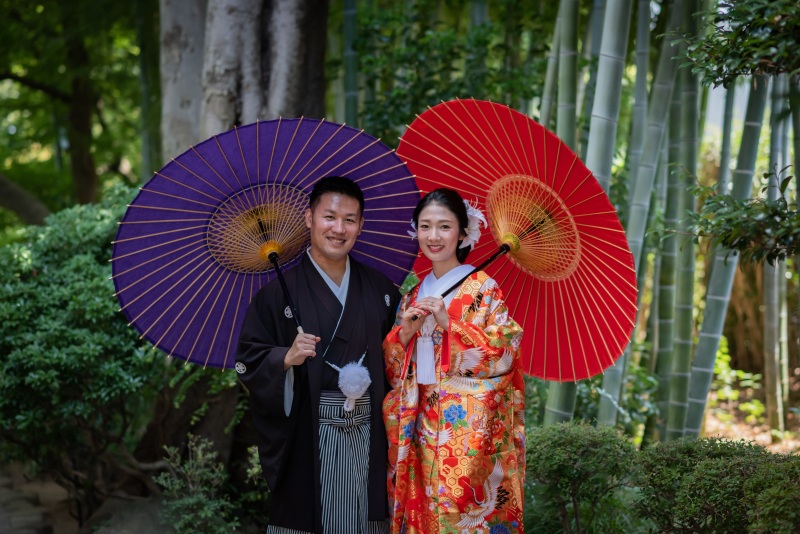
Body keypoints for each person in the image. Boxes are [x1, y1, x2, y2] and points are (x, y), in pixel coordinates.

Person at [236, 176, 401, 534]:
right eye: (329, 217)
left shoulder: (381, 290)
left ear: (361, 225)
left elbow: (399, 362)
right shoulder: (276, 296)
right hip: (309, 433)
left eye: (350, 219)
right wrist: (285, 357)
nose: (338, 228)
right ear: (309, 219)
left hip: (370, 432)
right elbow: (249, 359)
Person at [382, 188, 526, 533]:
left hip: (465, 433)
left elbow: (506, 350)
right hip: (417, 424)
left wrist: (452, 325)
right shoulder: (412, 294)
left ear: (463, 233)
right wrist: (403, 335)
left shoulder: (483, 288)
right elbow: (394, 370)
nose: (434, 236)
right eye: (425, 226)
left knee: (462, 514)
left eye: (444, 227)